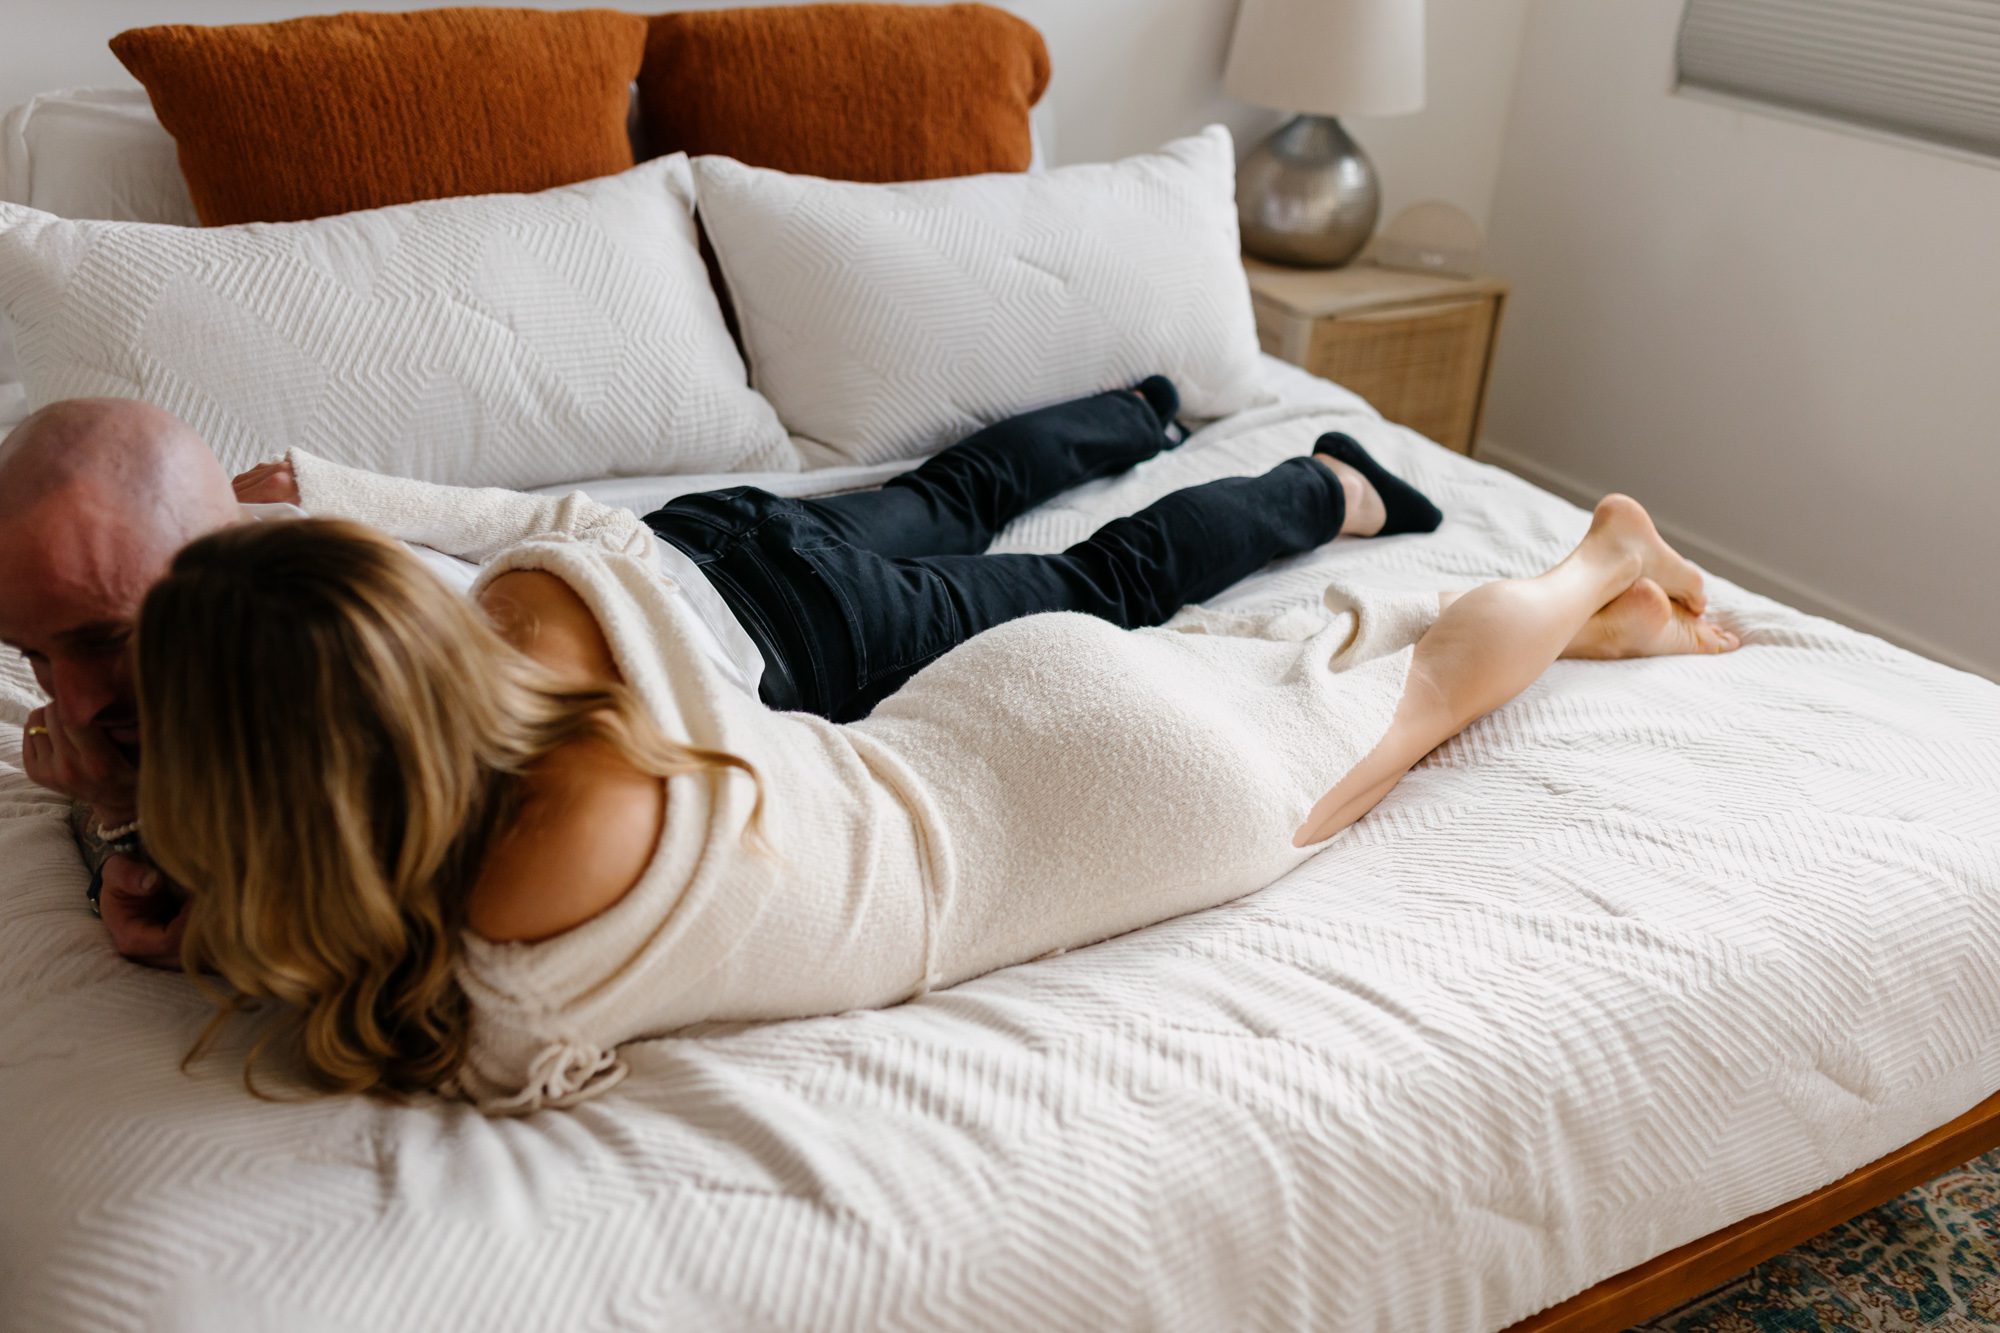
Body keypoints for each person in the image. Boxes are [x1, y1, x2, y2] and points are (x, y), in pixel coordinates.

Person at [123, 474, 1736, 1111]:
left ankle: (1599, 545)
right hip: (985, 717)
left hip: (1095, 810)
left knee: (1417, 709)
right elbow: (574, 540)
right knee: (1333, 683)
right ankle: (1599, 616)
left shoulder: (508, 911)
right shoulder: (554, 651)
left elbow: (471, 1037)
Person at [0, 380, 1435, 964]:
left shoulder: (312, 666)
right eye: (26, 657)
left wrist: (122, 823)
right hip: (700, 541)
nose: (60, 698)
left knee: (1091, 585)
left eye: (99, 643)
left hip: (804, 634)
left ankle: (1325, 480)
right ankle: (1138, 405)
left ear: (207, 565)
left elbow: (371, 884)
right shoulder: (311, 570)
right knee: (946, 494)